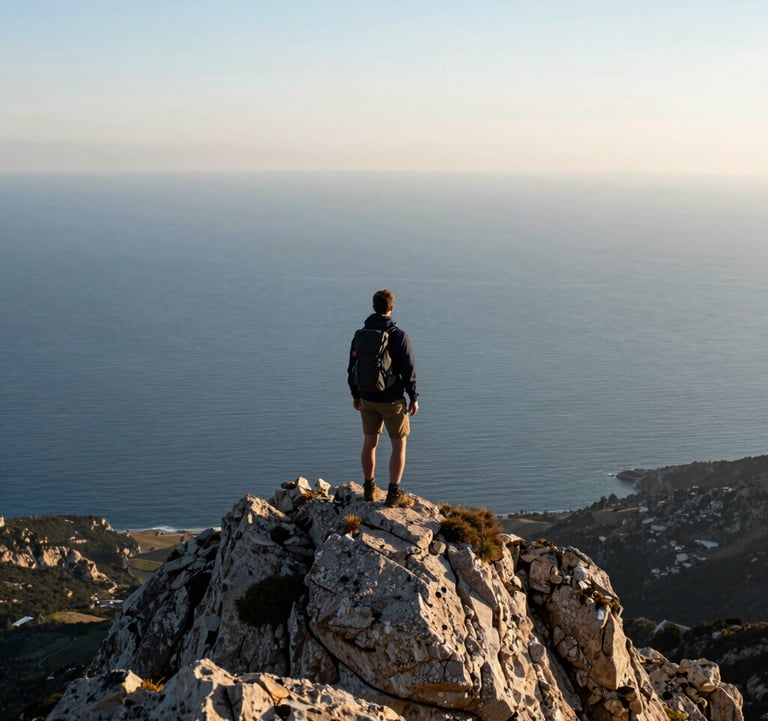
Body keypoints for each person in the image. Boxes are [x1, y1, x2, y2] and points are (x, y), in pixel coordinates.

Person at [348, 289, 419, 507]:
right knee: (398, 445)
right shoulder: (399, 336)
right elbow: (409, 370)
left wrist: (356, 394)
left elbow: (352, 367)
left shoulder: (360, 334)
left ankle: (369, 488)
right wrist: (413, 396)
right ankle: (393, 493)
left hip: (367, 397)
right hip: (392, 400)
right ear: (392, 307)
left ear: (373, 307)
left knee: (370, 443)